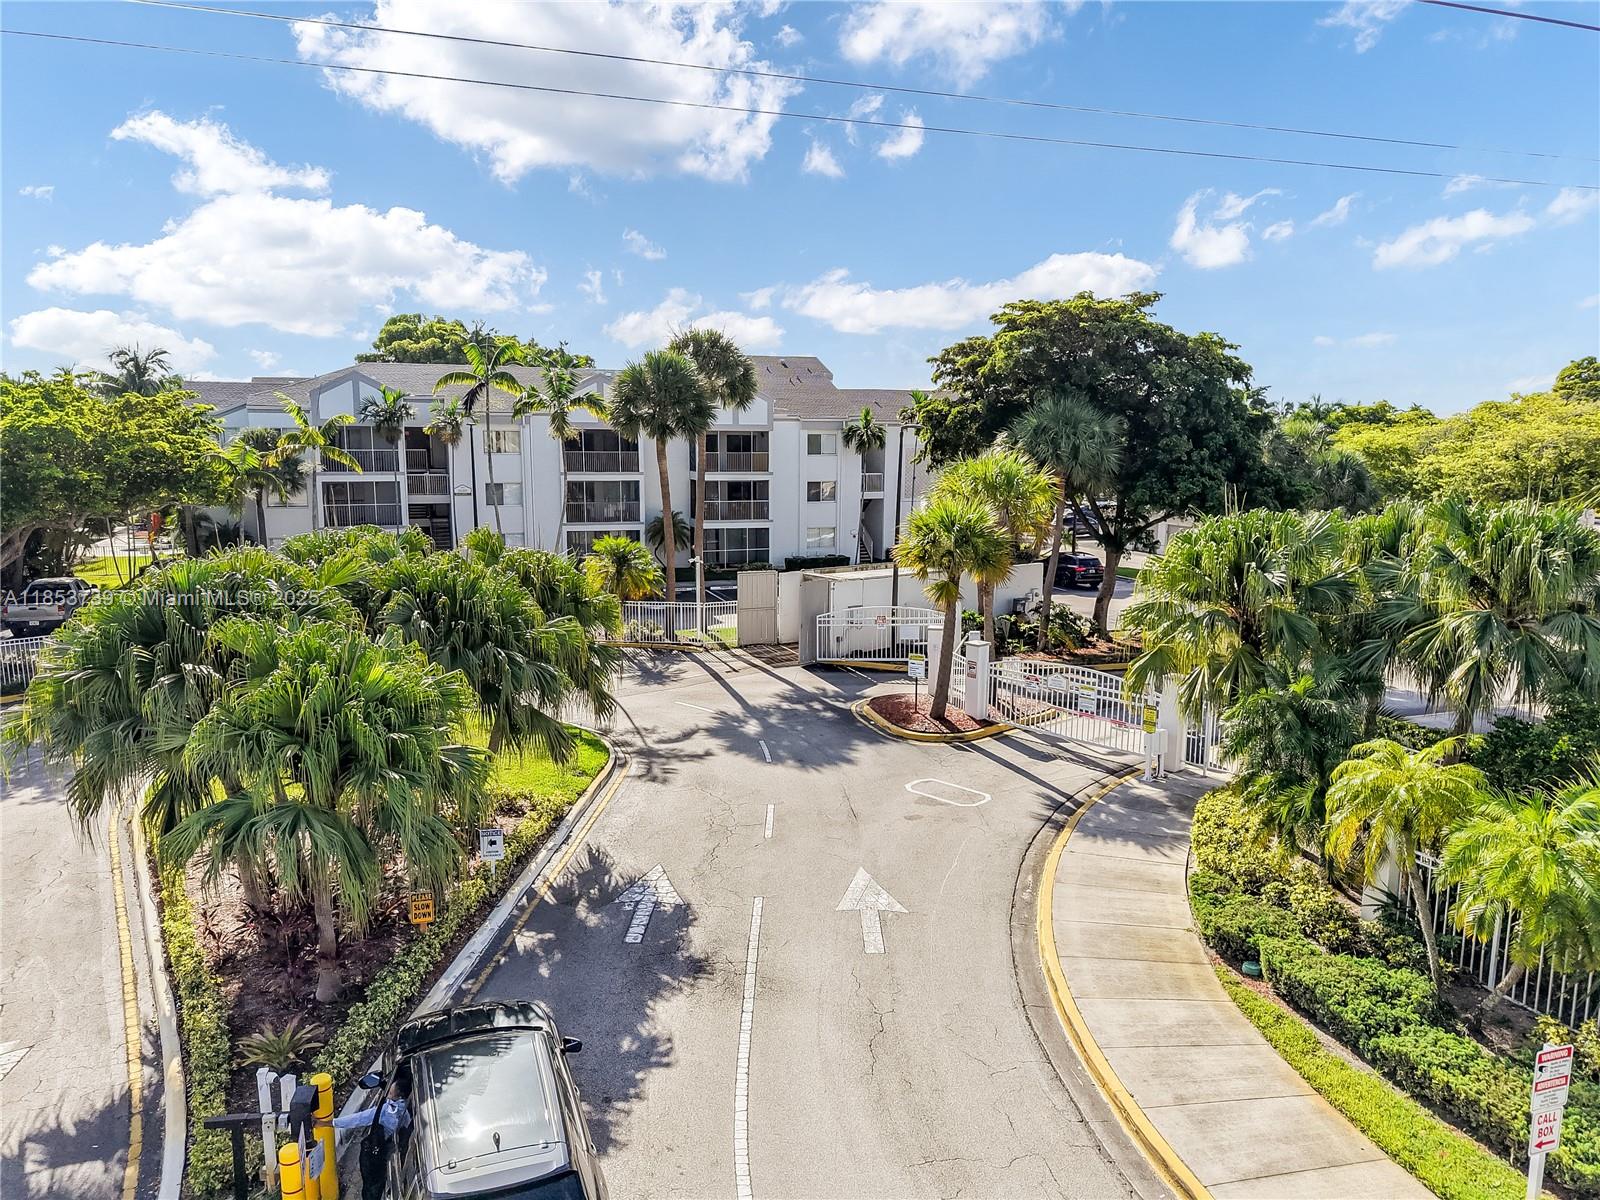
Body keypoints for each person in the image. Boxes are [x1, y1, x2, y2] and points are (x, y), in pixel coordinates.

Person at [332, 1068, 413, 1200]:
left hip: (377, 1151)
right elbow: (406, 1124)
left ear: (398, 1096)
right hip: (393, 1146)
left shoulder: (385, 1111)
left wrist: (333, 1122)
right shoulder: (404, 1108)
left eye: (391, 1093)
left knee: (372, 1184)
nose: (388, 1094)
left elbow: (358, 1119)